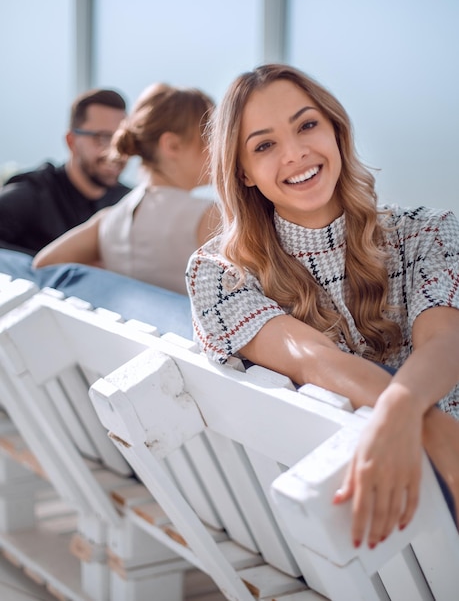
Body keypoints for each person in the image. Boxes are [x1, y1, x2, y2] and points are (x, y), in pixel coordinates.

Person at [186, 63, 459, 549]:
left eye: (307, 125)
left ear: (337, 131)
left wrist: (400, 407)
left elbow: (445, 339)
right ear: (243, 171)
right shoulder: (220, 275)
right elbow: (316, 358)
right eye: (264, 145)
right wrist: (433, 428)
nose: (295, 154)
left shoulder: (427, 231)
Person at [33, 83, 220, 295]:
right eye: (209, 136)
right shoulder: (208, 215)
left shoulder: (108, 220)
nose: (218, 149)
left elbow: (43, 265)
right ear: (172, 145)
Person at [0, 88, 130, 255]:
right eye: (103, 138)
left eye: (122, 140)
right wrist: (48, 269)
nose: (116, 152)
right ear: (71, 141)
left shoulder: (128, 202)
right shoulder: (32, 194)